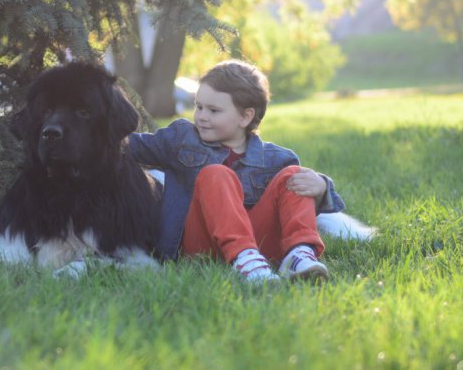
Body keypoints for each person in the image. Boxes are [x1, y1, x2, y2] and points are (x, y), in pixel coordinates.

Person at [128, 60, 345, 283]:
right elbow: (133, 146)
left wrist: (321, 187)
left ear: (245, 117)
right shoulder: (181, 139)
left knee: (294, 174)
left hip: (258, 246)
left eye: (213, 110)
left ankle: (298, 254)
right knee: (216, 173)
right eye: (199, 106)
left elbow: (296, 206)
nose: (202, 116)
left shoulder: (275, 158)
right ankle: (244, 259)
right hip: (200, 246)